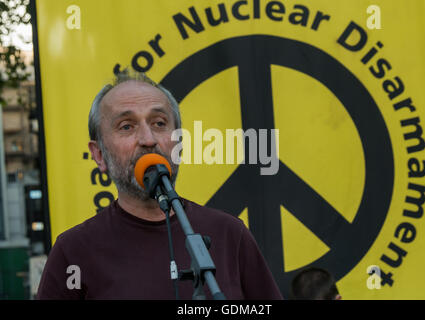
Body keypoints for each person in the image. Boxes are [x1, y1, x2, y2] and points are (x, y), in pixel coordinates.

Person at [36, 69, 283, 300]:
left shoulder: (230, 234)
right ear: (99, 154)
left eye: (159, 123)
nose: (148, 139)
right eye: (127, 126)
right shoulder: (73, 252)